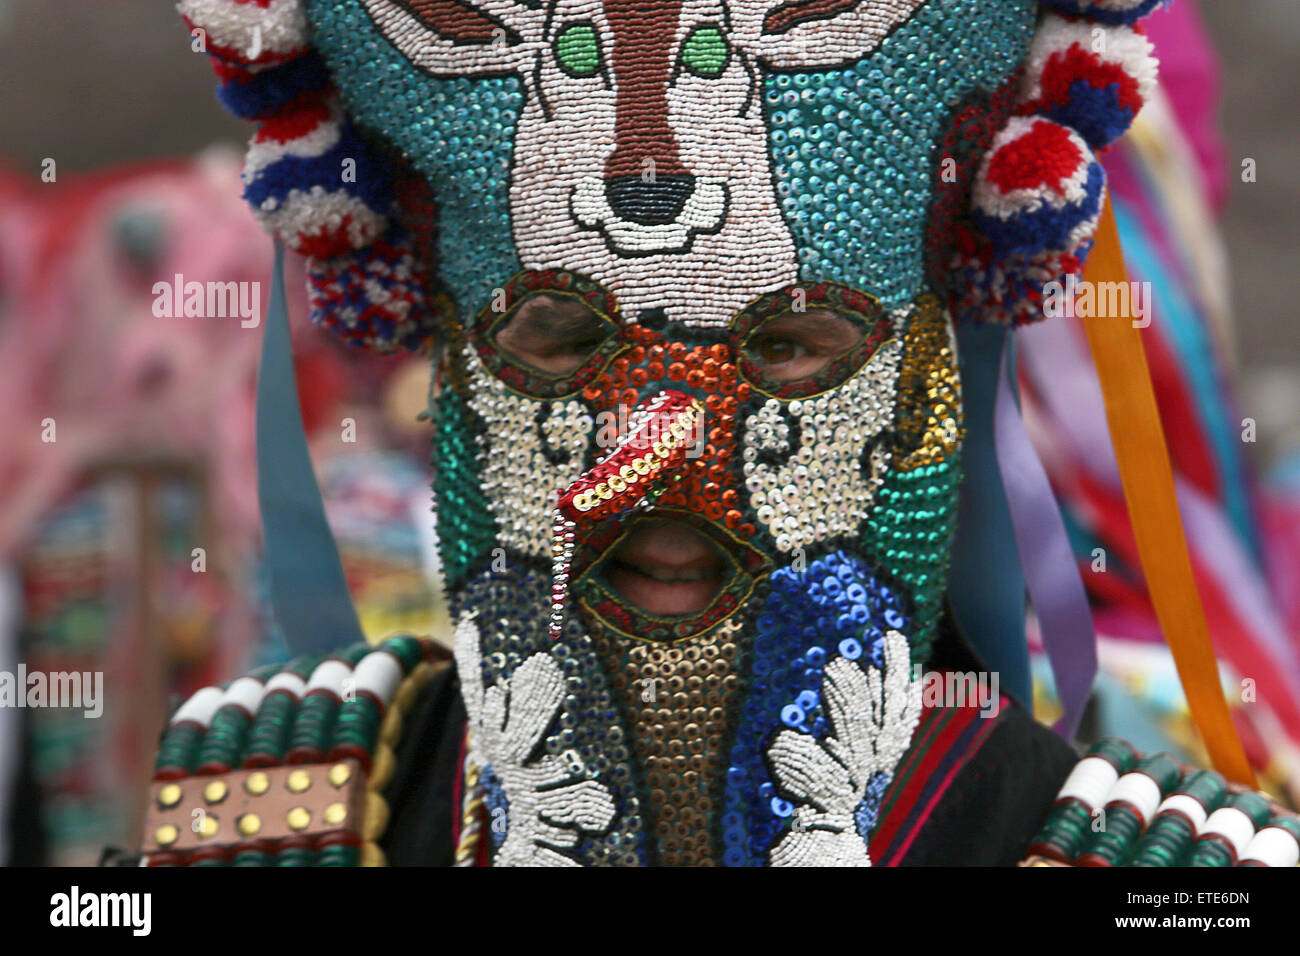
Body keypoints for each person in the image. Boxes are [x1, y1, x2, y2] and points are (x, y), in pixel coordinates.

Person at [136, 0, 1297, 867]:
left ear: (918, 399)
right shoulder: (259, 813)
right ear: (458, 395)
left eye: (785, 350)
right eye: (565, 346)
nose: (665, 453)